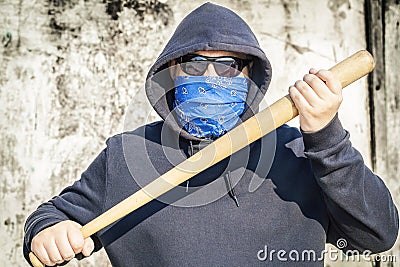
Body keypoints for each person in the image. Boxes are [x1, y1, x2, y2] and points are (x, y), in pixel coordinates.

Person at [24, 3, 398, 266]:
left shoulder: (301, 151)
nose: (210, 78)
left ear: (250, 77)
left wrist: (327, 138)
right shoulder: (125, 156)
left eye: (229, 66)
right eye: (196, 63)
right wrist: (48, 232)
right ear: (172, 72)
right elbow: (51, 217)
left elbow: (376, 237)